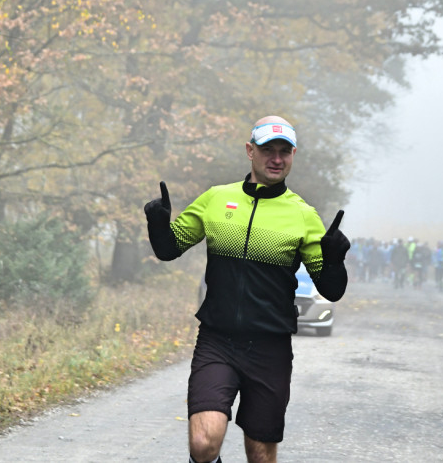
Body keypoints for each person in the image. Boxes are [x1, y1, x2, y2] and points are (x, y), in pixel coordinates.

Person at [144, 115, 350, 463]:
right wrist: (157, 223)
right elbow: (169, 248)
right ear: (249, 150)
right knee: (203, 443)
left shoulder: (302, 215)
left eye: (285, 151)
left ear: (293, 155)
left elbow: (331, 290)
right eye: (268, 149)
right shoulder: (216, 199)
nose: (276, 158)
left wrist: (334, 260)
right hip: (217, 341)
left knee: (260, 453)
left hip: (270, 348)